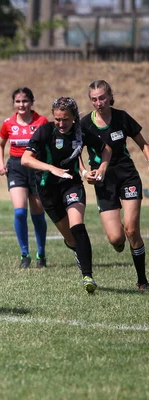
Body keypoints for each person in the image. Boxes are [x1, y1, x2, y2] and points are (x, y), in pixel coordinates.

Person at [22, 97, 111, 293]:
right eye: (57, 119)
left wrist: (101, 169)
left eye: (66, 120)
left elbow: (106, 150)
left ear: (74, 118)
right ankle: (75, 248)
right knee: (71, 239)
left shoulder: (81, 133)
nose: (61, 124)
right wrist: (51, 168)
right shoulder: (45, 131)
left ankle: (88, 276)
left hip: (71, 184)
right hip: (47, 188)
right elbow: (26, 159)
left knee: (78, 227)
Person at [80, 80, 149, 292]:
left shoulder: (121, 118)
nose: (98, 103)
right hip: (103, 182)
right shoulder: (84, 124)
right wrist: (84, 172)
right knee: (116, 238)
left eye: (102, 98)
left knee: (131, 229)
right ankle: (120, 242)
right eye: (94, 99)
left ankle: (142, 281)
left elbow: (142, 144)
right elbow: (74, 154)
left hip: (127, 176)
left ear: (110, 96)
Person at [0, 88, 49, 268]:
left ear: (31, 102)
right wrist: (1, 164)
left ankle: (41, 254)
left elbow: (49, 145)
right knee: (19, 211)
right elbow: (0, 143)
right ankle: (24, 254)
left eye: (25, 101)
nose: (21, 105)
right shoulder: (8, 123)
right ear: (13, 103)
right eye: (18, 101)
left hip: (35, 167)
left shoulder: (41, 122)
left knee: (37, 213)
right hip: (16, 167)